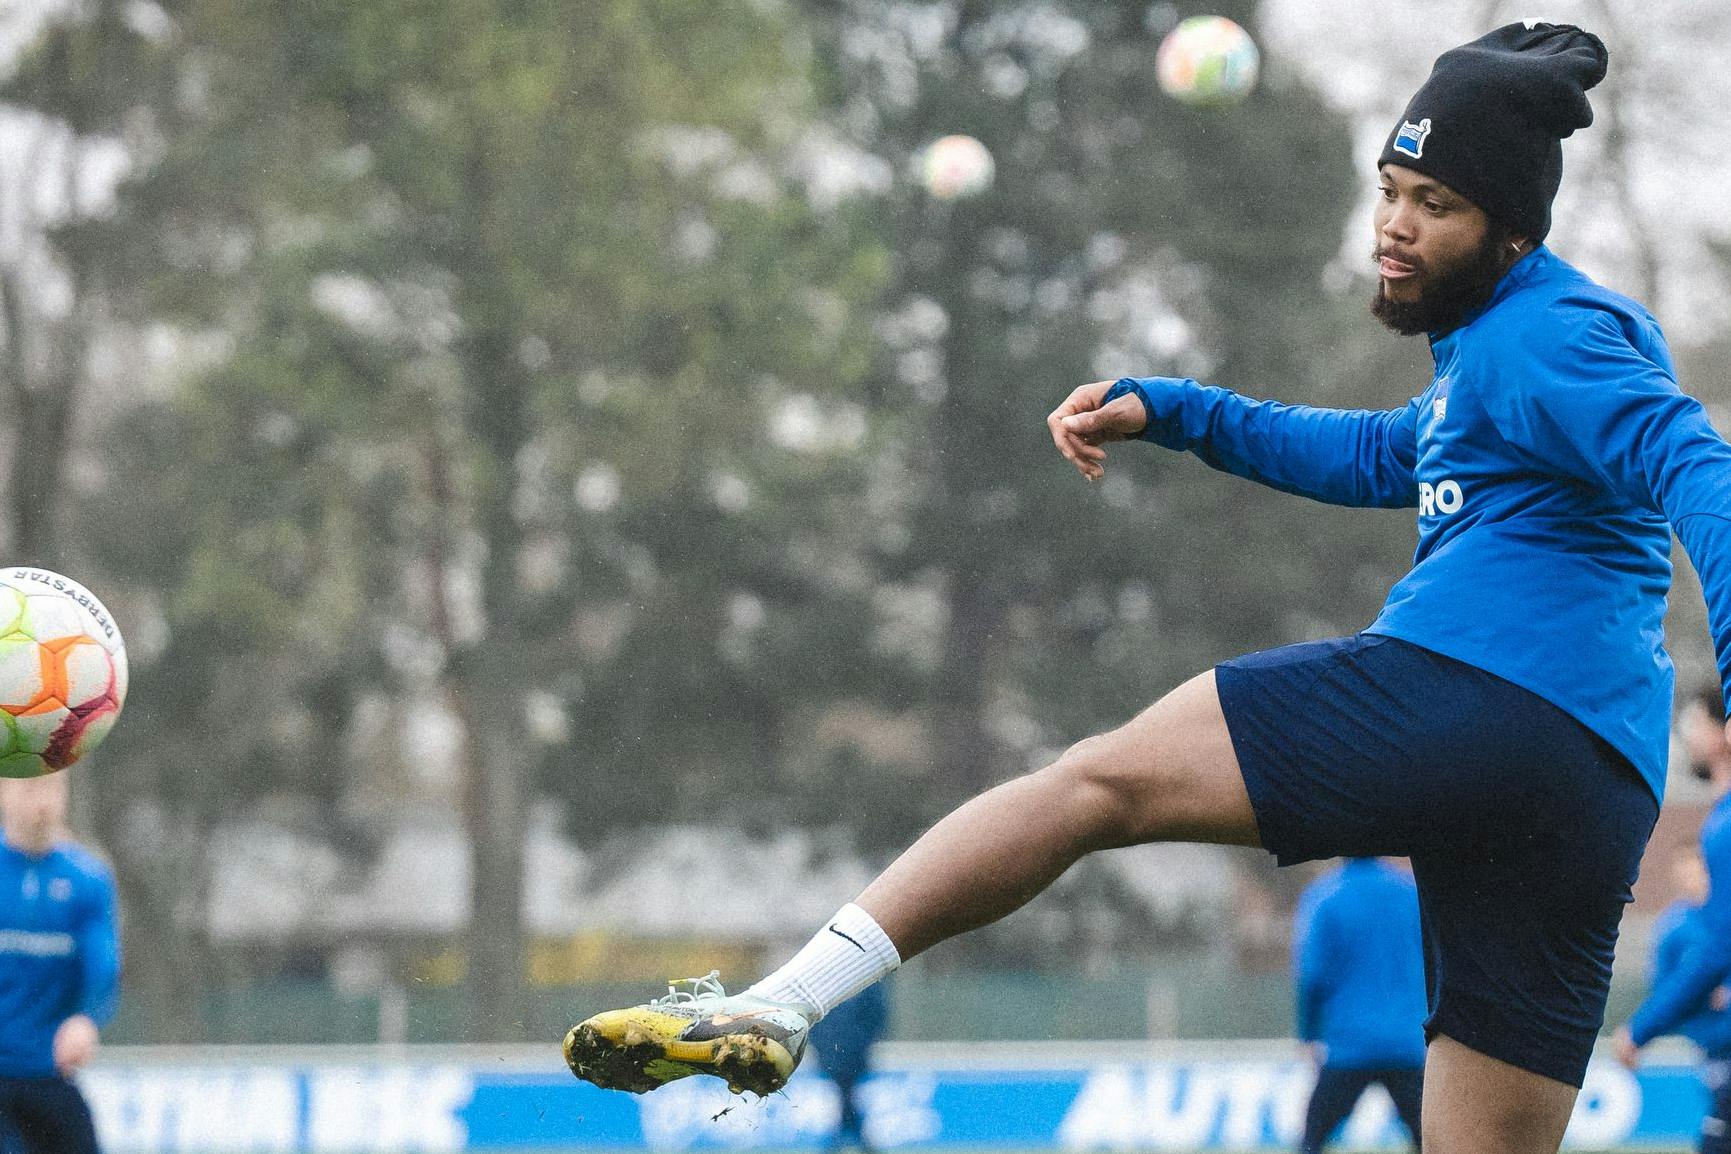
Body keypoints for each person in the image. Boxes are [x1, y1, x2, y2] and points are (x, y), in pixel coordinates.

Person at [566, 23, 1731, 1153]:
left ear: (1512, 232)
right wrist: (1176, 410)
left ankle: (782, 1003)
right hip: (1594, 783)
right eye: (1391, 189)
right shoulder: (1508, 349)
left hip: (1480, 691)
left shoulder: (1545, 339)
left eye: (1437, 207)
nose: (1394, 227)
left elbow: (1698, 460)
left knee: (1093, 783)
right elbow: (1384, 454)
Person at [1617, 689, 1731, 1153]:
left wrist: (1640, 1028)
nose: (1684, 739)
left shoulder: (1724, 827)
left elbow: (1717, 949)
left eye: (1691, 725)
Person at [0, 774, 120, 1154]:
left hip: (49, 1075)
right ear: (4, 792)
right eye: (31, 788)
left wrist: (86, 1019)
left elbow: (103, 972)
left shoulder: (88, 879)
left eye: (53, 788)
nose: (44, 801)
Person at [1293, 858, 1426, 1154]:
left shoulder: (1325, 895)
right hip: (1406, 1042)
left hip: (1349, 1047)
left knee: (1312, 1140)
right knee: (1431, 1141)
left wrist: (1308, 1034)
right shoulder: (1410, 895)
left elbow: (1312, 975)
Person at [812, 979, 888, 1152]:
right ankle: (853, 1136)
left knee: (847, 1093)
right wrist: (823, 1046)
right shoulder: (823, 984)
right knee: (846, 1094)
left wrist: (861, 1042)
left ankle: (846, 1136)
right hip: (832, 1054)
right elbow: (813, 1021)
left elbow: (877, 1016)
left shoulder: (868, 980)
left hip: (855, 1053)